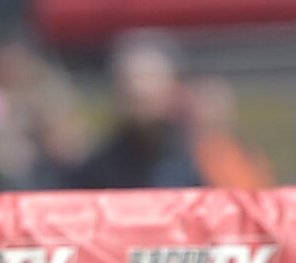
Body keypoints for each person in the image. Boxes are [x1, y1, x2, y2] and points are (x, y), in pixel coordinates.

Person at [61, 35, 200, 190]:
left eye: (149, 79)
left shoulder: (203, 159)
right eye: (130, 86)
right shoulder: (96, 170)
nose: (139, 89)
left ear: (173, 89)